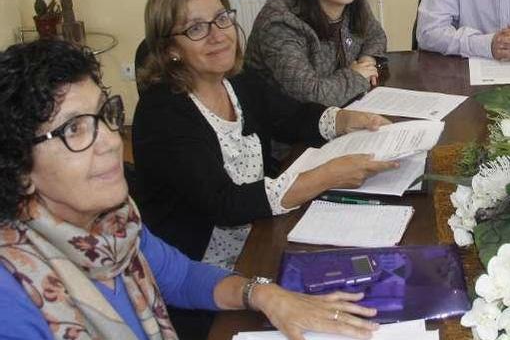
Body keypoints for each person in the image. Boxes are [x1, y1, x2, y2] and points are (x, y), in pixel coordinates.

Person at [0, 39, 379, 340]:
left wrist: (264, 294)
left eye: (104, 116)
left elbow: (180, 277)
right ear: (19, 169)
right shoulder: (13, 295)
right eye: (74, 129)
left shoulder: (115, 224)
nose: (112, 141)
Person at [133, 0, 397, 335]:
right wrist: (324, 177)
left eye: (222, 19)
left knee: (369, 284)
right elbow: (225, 203)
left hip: (261, 238)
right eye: (196, 28)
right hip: (206, 284)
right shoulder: (162, 113)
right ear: (170, 48)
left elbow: (291, 116)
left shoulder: (237, 81)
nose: (217, 35)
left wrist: (345, 120)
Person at [245, 0, 387, 107]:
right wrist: (356, 76)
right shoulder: (281, 20)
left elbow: (376, 35)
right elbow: (311, 95)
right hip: (281, 124)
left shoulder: (350, 0)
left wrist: (367, 61)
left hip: (337, 111)